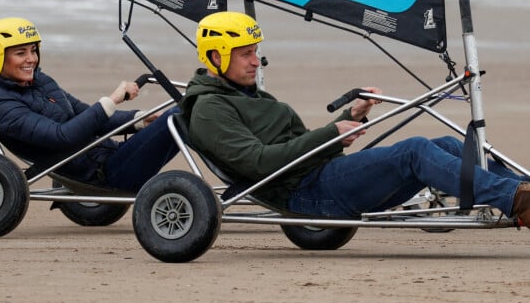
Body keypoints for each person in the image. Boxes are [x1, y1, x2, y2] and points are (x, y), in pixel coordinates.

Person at [179, 11, 530, 228]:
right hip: (308, 196)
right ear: (216, 56)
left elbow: (294, 147)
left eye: (256, 52)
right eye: (245, 55)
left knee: (450, 145)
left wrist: (351, 117)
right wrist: (331, 132)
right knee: (415, 151)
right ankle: (517, 201)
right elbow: (258, 164)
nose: (256, 62)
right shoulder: (211, 110)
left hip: (322, 177)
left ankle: (520, 192)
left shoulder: (244, 94)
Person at [0, 17, 179, 193]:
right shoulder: (4, 107)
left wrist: (140, 119)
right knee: (180, 116)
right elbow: (63, 136)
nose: (31, 59)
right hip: (105, 173)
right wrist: (113, 99)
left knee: (179, 114)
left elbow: (87, 117)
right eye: (20, 53)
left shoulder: (40, 81)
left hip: (112, 154)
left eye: (33, 50)